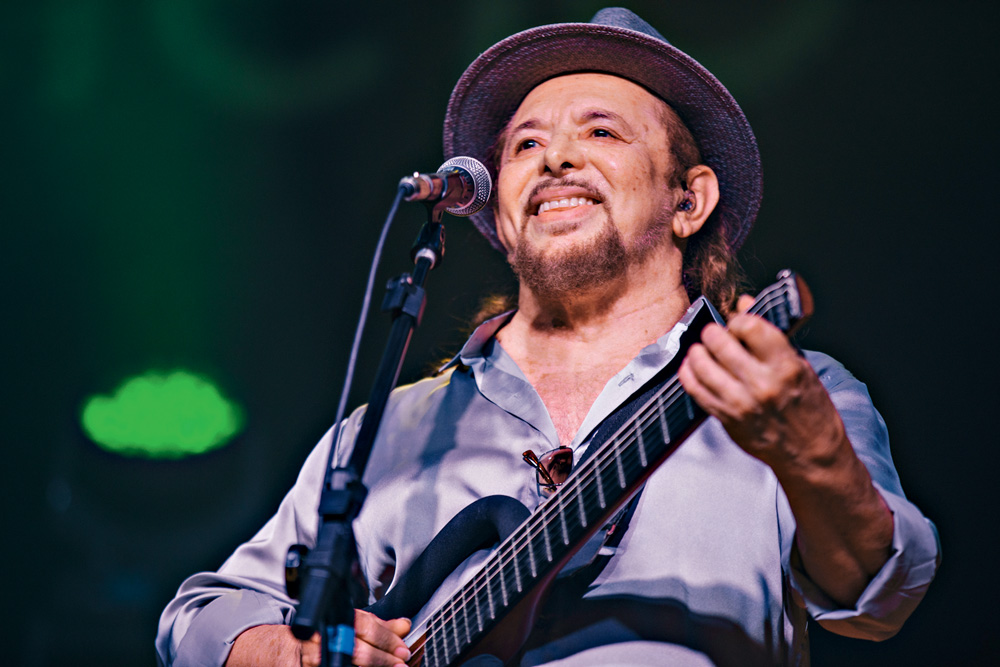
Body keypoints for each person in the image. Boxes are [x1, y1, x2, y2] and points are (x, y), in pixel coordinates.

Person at [156, 8, 940, 667]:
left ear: (690, 199)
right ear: (498, 213)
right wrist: (275, 647)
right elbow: (200, 613)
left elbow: (882, 597)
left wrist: (812, 456)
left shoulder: (791, 387)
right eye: (525, 145)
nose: (556, 156)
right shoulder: (391, 427)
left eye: (602, 132)